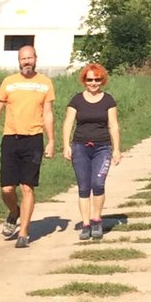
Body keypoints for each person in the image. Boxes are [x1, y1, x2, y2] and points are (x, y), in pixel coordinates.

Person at [0, 45, 56, 248]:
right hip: (10, 139)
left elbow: (48, 113)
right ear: (19, 61)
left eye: (30, 58)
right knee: (7, 188)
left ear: (36, 59)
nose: (27, 62)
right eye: (23, 59)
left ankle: (23, 233)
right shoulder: (9, 82)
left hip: (33, 140)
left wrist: (51, 140)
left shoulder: (45, 83)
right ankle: (14, 212)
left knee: (27, 187)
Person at [62, 63, 121, 241]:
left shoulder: (108, 100)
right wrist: (66, 145)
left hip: (102, 148)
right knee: (84, 187)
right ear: (84, 81)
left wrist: (117, 149)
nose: (93, 83)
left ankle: (97, 220)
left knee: (98, 184)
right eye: (90, 80)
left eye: (97, 79)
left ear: (102, 80)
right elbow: (67, 124)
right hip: (80, 147)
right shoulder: (76, 100)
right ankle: (86, 224)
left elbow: (113, 125)